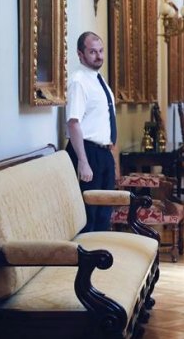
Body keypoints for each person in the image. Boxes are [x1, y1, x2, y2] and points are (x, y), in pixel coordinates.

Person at [65, 31, 118, 233]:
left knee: (104, 212)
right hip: (87, 152)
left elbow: (105, 119)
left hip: (103, 153)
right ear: (80, 54)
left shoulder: (98, 79)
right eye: (92, 52)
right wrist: (83, 161)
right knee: (90, 213)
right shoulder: (79, 81)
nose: (99, 56)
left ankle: (101, 258)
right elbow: (73, 122)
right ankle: (88, 260)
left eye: (101, 51)